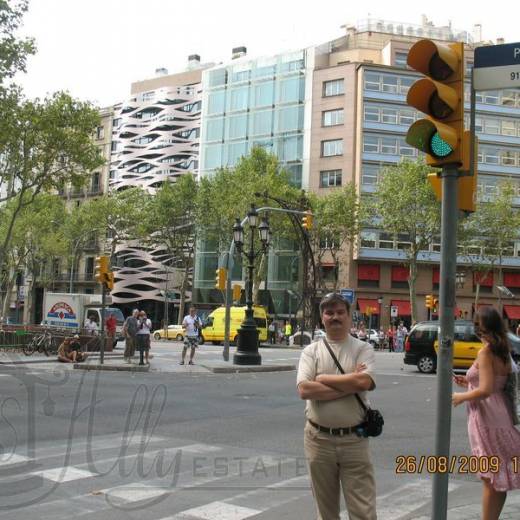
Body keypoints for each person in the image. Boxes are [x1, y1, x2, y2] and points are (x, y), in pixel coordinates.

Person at [297, 293, 377, 520]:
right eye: (329, 312)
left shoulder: (363, 349)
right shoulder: (310, 352)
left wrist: (323, 379)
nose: (335, 317)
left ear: (350, 317)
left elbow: (364, 382)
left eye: (341, 312)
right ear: (322, 317)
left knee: (363, 511)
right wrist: (350, 381)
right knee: (326, 512)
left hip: (355, 441)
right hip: (318, 441)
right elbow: (304, 390)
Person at [453, 307, 520, 519]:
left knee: (489, 477)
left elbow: (486, 390)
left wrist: (459, 397)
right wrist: (468, 381)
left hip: (486, 417)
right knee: (497, 477)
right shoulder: (503, 350)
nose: (478, 333)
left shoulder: (486, 352)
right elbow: (494, 383)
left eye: (479, 329)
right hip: (501, 414)